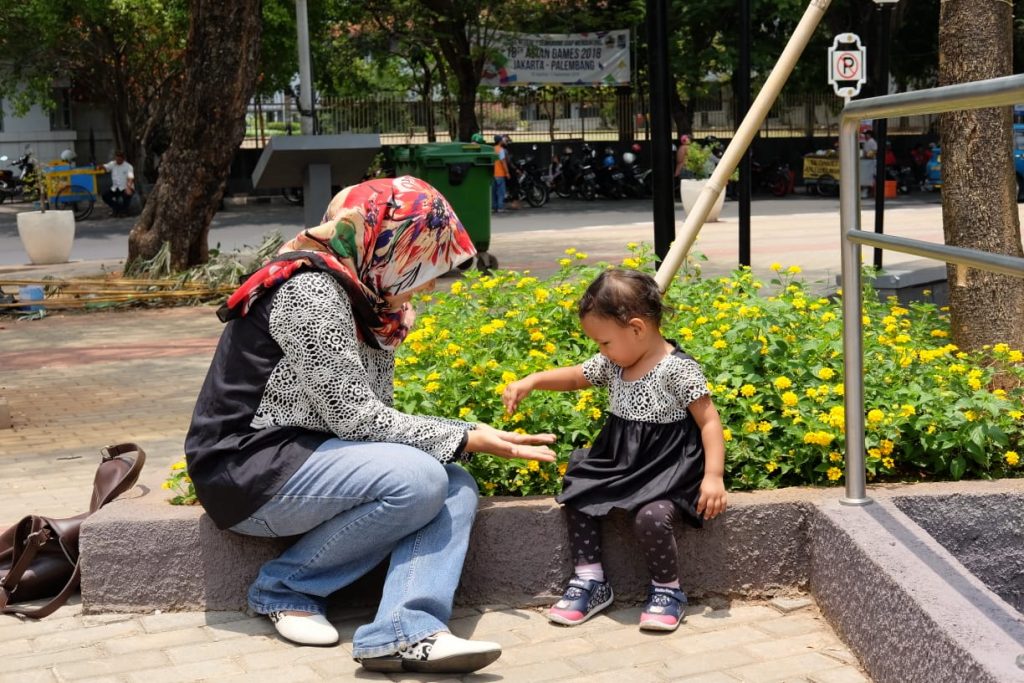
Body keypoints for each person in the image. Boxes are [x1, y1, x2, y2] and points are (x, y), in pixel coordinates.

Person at [185, 176, 556, 674]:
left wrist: (461, 441)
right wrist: (467, 436)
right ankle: (285, 587)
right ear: (390, 248)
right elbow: (356, 416)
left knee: (453, 482)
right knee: (422, 478)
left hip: (312, 457)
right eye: (426, 265)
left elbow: (374, 414)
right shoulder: (309, 291)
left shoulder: (368, 301)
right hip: (247, 469)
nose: (431, 283)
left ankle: (406, 629)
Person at [502, 269, 727, 632]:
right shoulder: (614, 363)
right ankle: (591, 580)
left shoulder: (677, 370)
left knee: (651, 518)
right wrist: (533, 381)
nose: (600, 351)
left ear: (637, 328)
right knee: (577, 490)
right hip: (620, 462)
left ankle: (667, 590)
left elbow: (709, 422)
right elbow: (576, 375)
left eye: (604, 342)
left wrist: (713, 476)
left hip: (666, 471)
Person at [96, 150, 135, 217]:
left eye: (119, 159)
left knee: (127, 195)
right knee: (105, 196)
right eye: (117, 158)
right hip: (115, 188)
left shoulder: (128, 166)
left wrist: (128, 187)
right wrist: (99, 166)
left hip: (125, 187)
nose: (118, 160)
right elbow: (105, 166)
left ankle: (124, 212)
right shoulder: (113, 164)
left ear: (123, 158)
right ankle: (118, 209)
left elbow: (130, 178)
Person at [492, 134, 509, 213]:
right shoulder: (501, 150)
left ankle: (494, 207)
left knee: (493, 192)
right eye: (502, 140)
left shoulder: (492, 149)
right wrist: (507, 172)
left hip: (492, 174)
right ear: (499, 141)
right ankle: (500, 207)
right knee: (500, 192)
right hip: (500, 174)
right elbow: (503, 162)